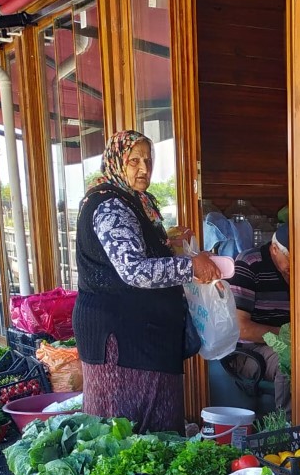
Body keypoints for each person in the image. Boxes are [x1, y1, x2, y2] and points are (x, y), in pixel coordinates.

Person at [72, 129, 224, 433]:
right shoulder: (110, 205)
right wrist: (191, 266)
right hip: (122, 338)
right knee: (125, 431)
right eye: (134, 161)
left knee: (154, 428)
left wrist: (167, 243)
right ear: (117, 162)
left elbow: (128, 251)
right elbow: (135, 270)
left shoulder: (133, 200)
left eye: (148, 160)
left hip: (143, 334)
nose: (144, 168)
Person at [229, 223, 291, 413]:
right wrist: (288, 336)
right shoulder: (249, 263)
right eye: (291, 259)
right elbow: (241, 328)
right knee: (291, 360)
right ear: (274, 249)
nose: (298, 266)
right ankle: (289, 429)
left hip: (288, 339)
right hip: (252, 347)